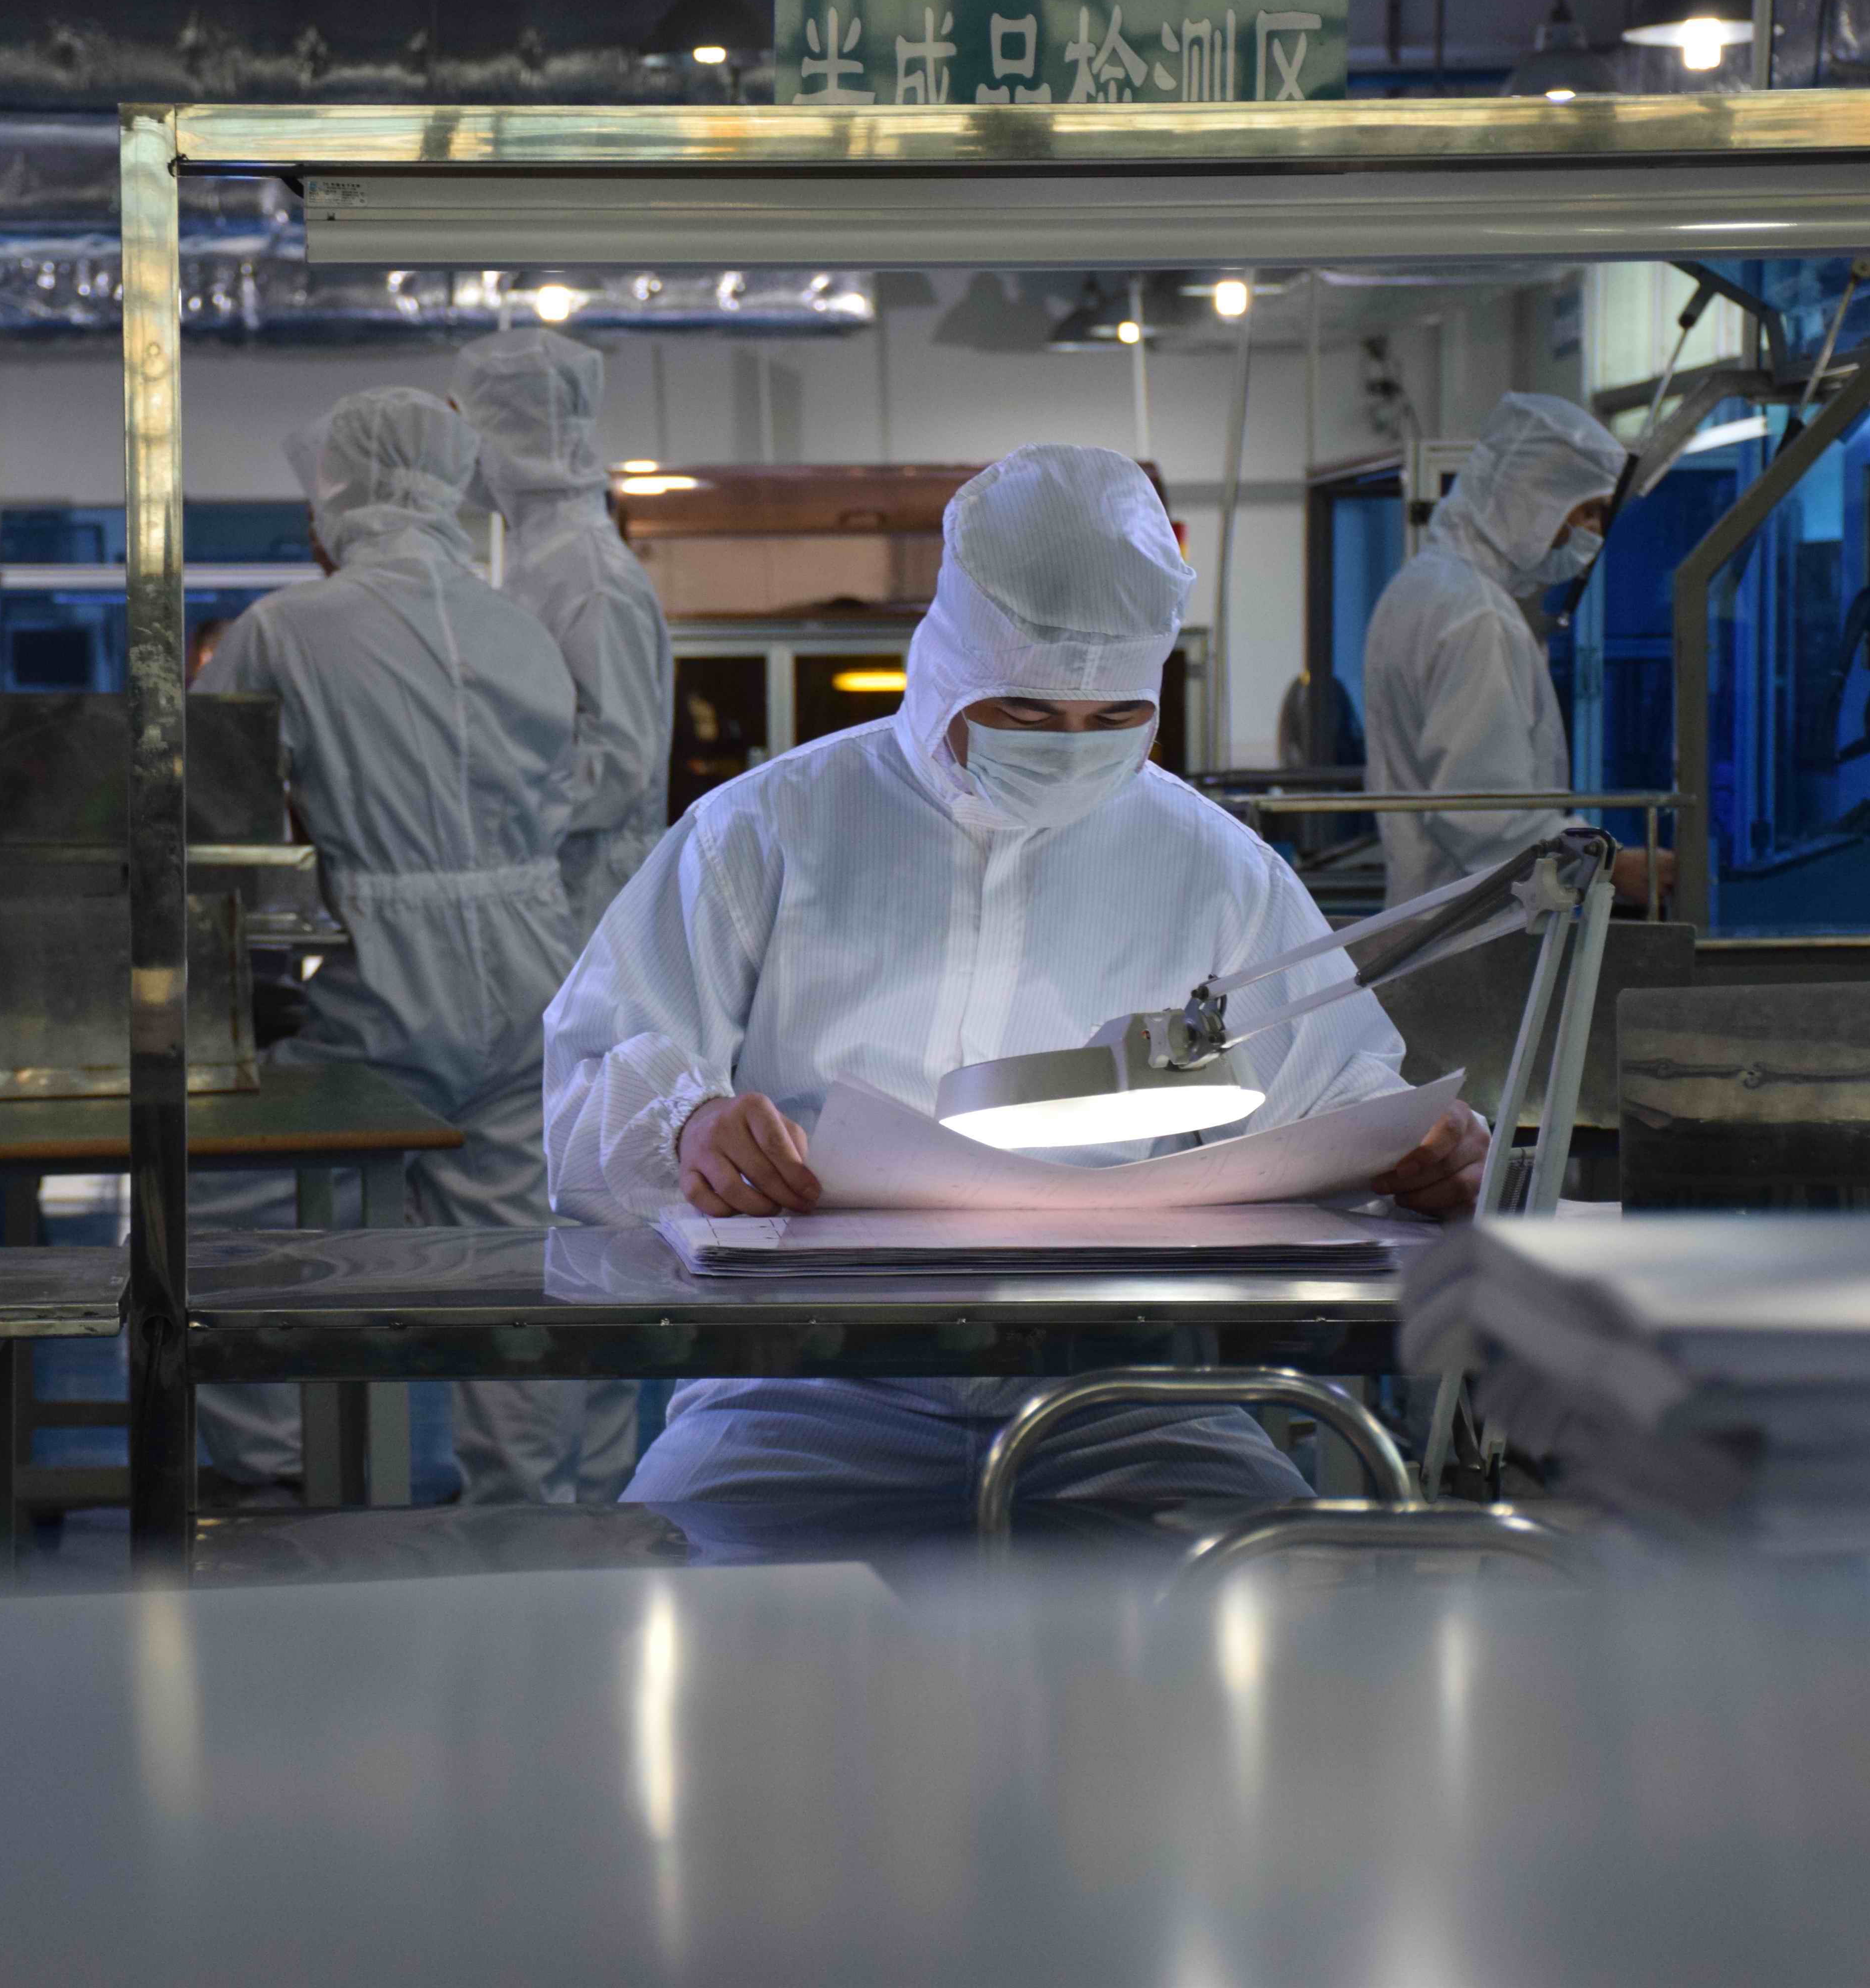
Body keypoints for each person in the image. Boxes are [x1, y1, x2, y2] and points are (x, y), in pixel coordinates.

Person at [546, 444, 1489, 1509]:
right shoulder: (765, 832)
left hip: (1136, 1392)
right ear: (947, 663)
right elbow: (591, 1070)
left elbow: (1337, 1098)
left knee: (1271, 1589)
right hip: (802, 1389)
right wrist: (689, 1128)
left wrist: (1423, 1156)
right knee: (694, 1589)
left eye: (1114, 719)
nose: (1071, 747)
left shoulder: (1217, 868)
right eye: (1028, 713)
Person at [195, 386, 588, 1502]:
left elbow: (210, 820)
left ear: (344, 495)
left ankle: (278, 1474)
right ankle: (527, 1501)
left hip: (384, 966)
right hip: (536, 963)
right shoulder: (521, 625)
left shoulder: (286, 627)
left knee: (241, 1204)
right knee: (514, 1255)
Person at [451, 325, 675, 1502]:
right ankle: (562, 1498)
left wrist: (481, 807)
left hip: (585, 919)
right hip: (560, 916)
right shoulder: (539, 559)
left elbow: (620, 760)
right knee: (571, 1228)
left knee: (573, 1228)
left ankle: (562, 1509)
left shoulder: (583, 568)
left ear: (516, 437)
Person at [1362, 392, 1667, 909]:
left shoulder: (1420, 586)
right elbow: (1486, 816)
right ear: (1535, 500)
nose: (1594, 532)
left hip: (1425, 909)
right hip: (1467, 926)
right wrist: (1609, 865)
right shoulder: (1478, 616)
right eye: (1588, 510)